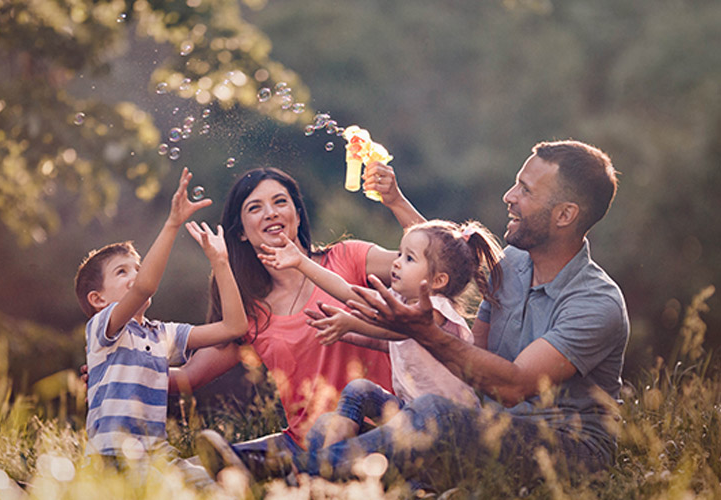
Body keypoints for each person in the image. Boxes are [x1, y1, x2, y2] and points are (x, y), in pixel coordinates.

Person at [200, 139, 630, 488]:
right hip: (490, 422)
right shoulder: (515, 265)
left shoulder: (596, 304)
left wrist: (420, 331)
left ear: (565, 215)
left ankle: (304, 474)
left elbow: (514, 386)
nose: (509, 197)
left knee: (433, 413)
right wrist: (395, 200)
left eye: (526, 190)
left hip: (565, 449)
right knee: (369, 393)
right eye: (516, 184)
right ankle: (298, 463)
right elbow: (445, 266)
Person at [178, 166, 422, 477]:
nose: (270, 213)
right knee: (188, 472)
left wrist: (396, 201)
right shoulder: (248, 312)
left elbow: (435, 262)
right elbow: (189, 376)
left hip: (378, 428)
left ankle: (293, 475)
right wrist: (123, 362)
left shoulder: (347, 258)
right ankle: (287, 472)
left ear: (296, 213)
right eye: (255, 207)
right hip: (303, 442)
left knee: (239, 472)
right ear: (240, 231)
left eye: (280, 202)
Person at [257, 218, 503, 449]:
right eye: (399, 254)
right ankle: (334, 447)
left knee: (357, 423)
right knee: (358, 390)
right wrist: (302, 263)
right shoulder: (399, 300)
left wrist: (352, 323)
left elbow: (397, 331)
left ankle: (327, 460)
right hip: (410, 412)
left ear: (438, 281)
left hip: (449, 425)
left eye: (409, 259)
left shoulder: (436, 310)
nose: (396, 262)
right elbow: (350, 293)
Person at [75, 168, 247, 470]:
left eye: (137, 267)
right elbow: (145, 287)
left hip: (156, 457)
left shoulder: (160, 334)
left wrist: (220, 263)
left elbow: (234, 327)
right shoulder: (102, 327)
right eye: (122, 271)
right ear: (97, 299)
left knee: (210, 485)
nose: (136, 276)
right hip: (112, 458)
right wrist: (172, 224)